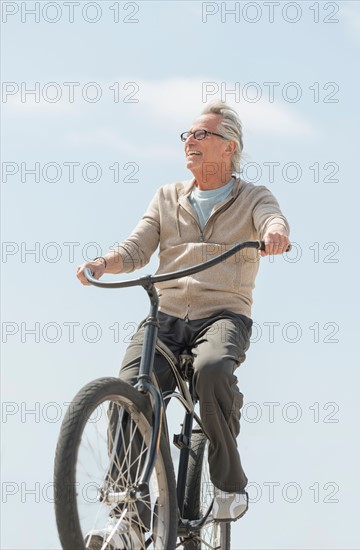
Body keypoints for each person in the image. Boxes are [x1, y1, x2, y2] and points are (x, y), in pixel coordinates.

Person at [77, 101, 290, 546]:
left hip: (223, 315)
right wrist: (102, 263)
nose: (189, 141)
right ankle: (130, 517)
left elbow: (273, 217)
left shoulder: (252, 196)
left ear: (229, 147)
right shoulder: (167, 197)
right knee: (131, 389)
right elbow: (136, 248)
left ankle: (229, 483)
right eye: (187, 135)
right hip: (167, 315)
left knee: (212, 372)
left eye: (201, 135)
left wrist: (275, 233)